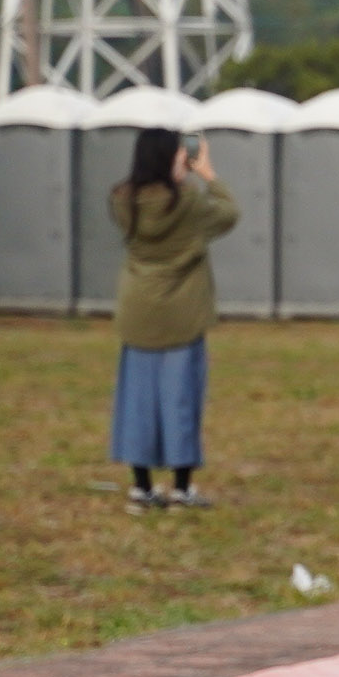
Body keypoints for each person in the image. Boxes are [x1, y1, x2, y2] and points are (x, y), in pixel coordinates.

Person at [109, 128, 237, 512]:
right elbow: (229, 214)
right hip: (183, 313)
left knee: (138, 401)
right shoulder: (188, 202)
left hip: (138, 310)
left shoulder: (122, 201)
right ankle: (181, 488)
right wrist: (208, 175)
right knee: (181, 401)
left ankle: (141, 487)